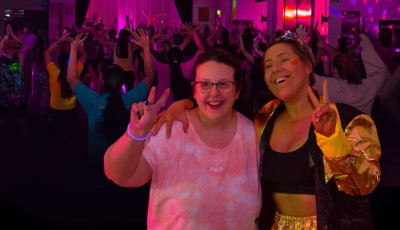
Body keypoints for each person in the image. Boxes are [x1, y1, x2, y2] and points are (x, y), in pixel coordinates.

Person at [153, 32, 381, 229]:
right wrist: (182, 105)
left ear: (308, 65)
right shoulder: (263, 116)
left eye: (284, 59)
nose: (276, 69)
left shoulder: (350, 119)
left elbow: (364, 185)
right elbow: (219, 104)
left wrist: (333, 137)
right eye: (268, 65)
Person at [104, 48, 261, 229]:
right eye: (205, 84)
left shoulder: (254, 135)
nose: (214, 93)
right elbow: (119, 175)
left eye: (223, 84)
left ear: (237, 90)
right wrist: (136, 134)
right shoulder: (169, 130)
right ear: (194, 90)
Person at [67, 31, 153, 187]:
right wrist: (146, 48)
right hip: (124, 170)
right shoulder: (131, 100)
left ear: (103, 82)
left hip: (96, 169)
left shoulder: (93, 102)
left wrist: (73, 51)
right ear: (122, 84)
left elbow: (71, 79)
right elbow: (149, 77)